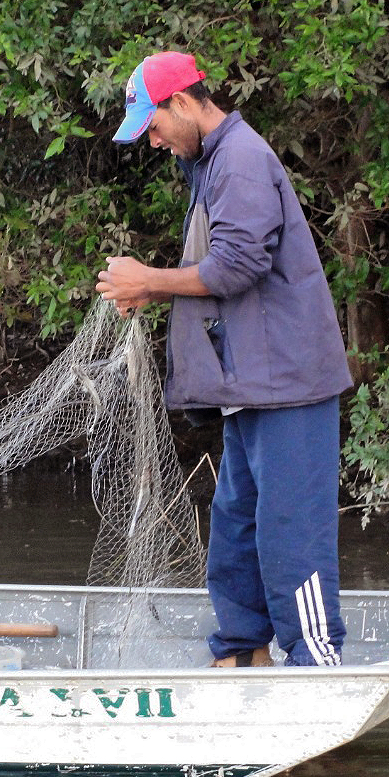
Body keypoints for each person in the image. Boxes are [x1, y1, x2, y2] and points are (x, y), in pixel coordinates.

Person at [95, 51, 353, 667]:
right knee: (237, 525)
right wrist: (150, 287)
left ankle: (317, 663)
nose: (153, 141)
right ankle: (242, 652)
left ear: (182, 101)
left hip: (290, 385)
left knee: (292, 533)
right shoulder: (209, 161)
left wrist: (150, 282)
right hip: (251, 386)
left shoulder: (239, 160)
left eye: (153, 126)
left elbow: (238, 266)